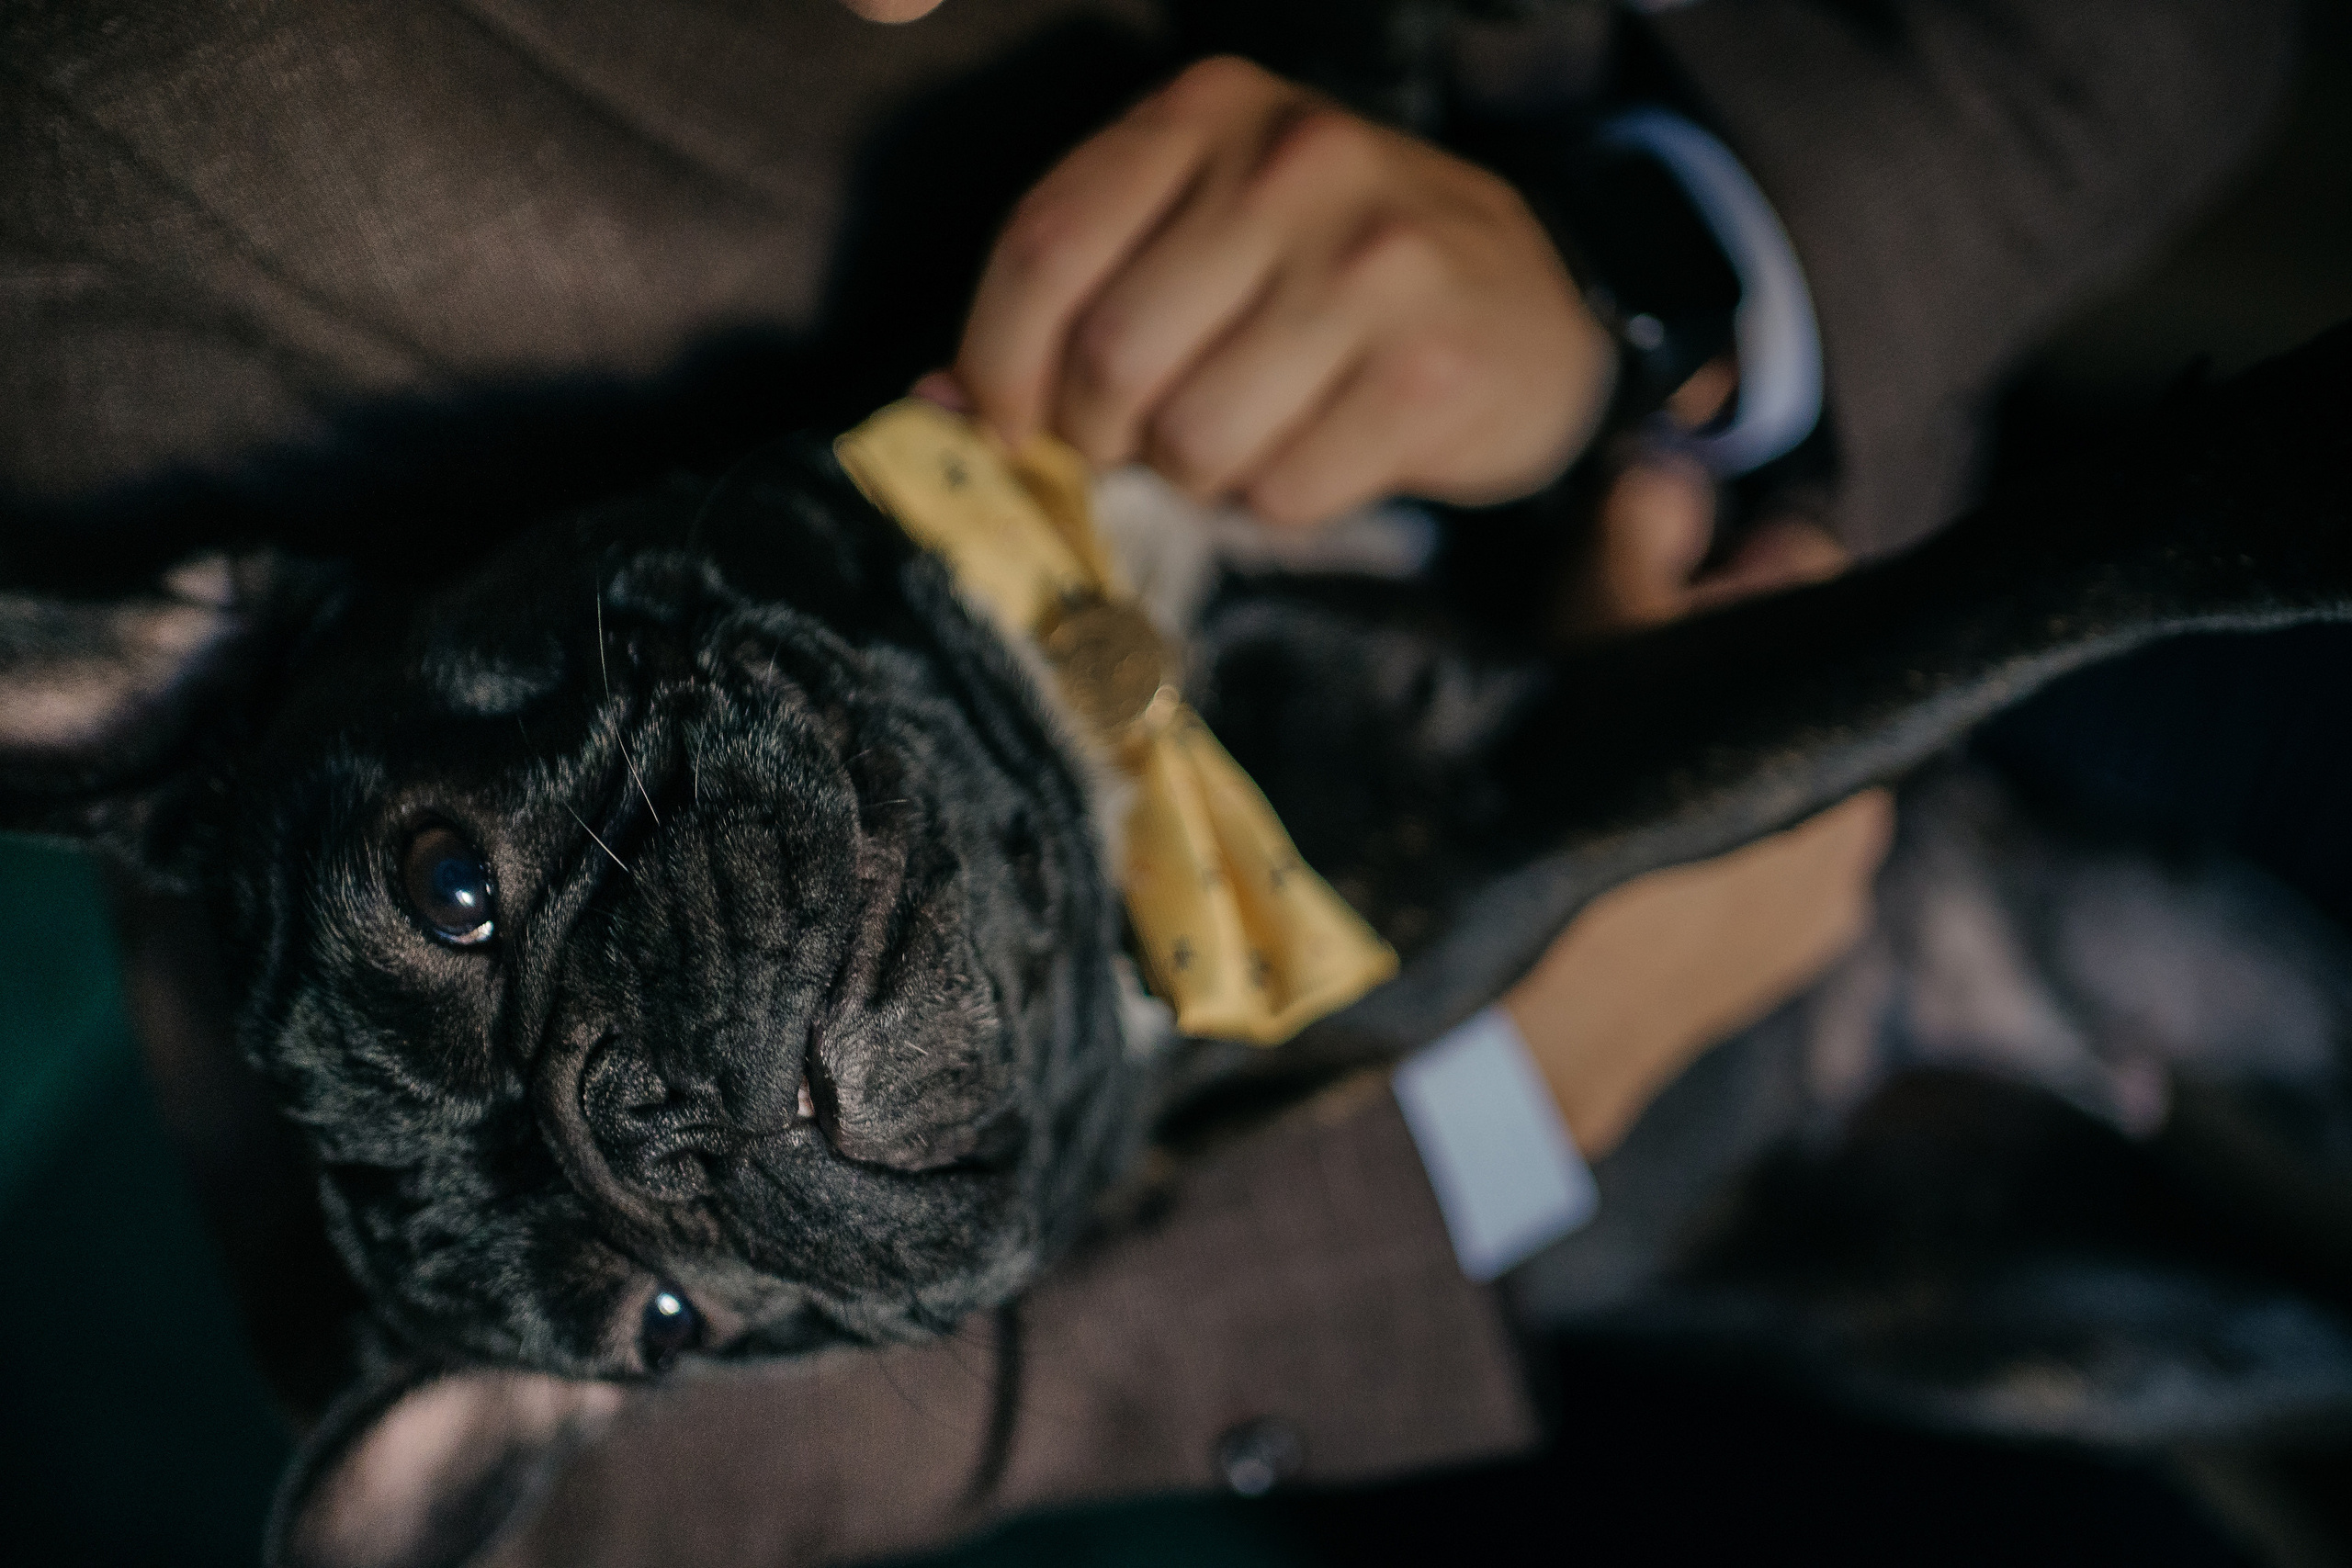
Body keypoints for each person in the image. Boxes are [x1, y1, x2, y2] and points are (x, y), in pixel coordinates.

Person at [0, 1, 2297, 1563]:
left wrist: (1664, 256)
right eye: (661, 1300)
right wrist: (1494, 1116)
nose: (680, 1160)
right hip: (1653, 1208)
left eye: (460, 888)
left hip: (1904, 447)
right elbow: (586, 1497)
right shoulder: (111, 220)